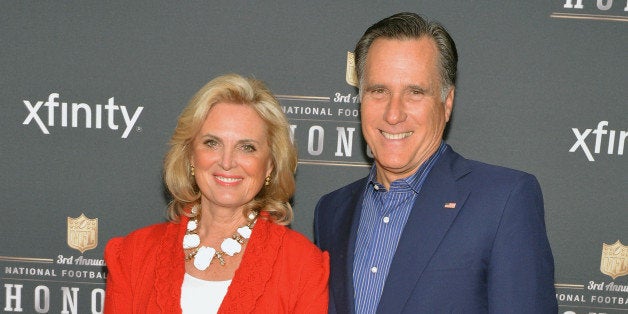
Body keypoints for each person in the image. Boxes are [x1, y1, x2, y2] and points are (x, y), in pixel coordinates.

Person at [314, 12, 557, 313]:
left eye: (415, 93)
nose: (393, 114)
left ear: (447, 103)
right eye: (379, 91)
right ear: (360, 98)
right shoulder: (331, 211)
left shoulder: (504, 201)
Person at [105, 74, 329, 313]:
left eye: (247, 147)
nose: (227, 162)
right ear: (191, 155)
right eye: (212, 143)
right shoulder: (133, 255)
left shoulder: (303, 266)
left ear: (270, 166)